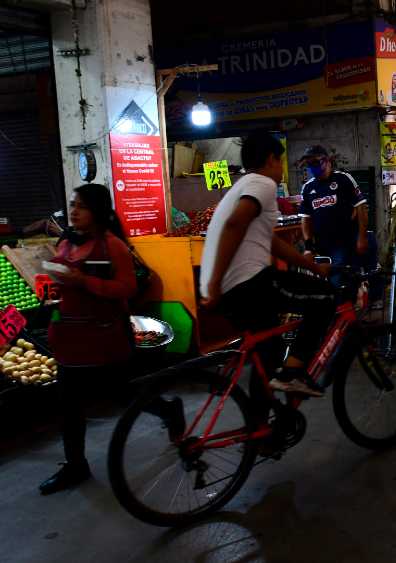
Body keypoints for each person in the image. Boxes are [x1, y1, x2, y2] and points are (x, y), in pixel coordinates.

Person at [41, 184, 184, 494]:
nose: (74, 211)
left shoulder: (112, 246)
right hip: (68, 335)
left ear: (99, 212)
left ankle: (169, 409)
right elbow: (62, 278)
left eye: (81, 206)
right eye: (72, 205)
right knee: (68, 404)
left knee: (120, 394)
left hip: (103, 336)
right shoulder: (66, 241)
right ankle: (75, 465)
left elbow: (128, 290)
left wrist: (85, 281)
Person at [201, 132, 336, 408]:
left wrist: (312, 266)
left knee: (268, 355)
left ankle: (260, 430)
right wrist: (216, 282)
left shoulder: (244, 186)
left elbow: (271, 242)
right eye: (282, 161)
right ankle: (295, 371)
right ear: (271, 159)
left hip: (228, 292)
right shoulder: (262, 183)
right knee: (327, 296)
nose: (282, 168)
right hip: (247, 284)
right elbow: (234, 225)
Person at [298, 145, 371, 298]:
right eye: (309, 164)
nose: (312, 167)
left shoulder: (343, 179)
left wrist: (362, 238)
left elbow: (361, 207)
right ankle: (344, 317)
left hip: (343, 245)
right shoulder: (307, 188)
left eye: (315, 162)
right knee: (325, 290)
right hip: (321, 248)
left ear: (327, 160)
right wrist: (308, 247)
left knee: (336, 288)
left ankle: (341, 318)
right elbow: (305, 219)